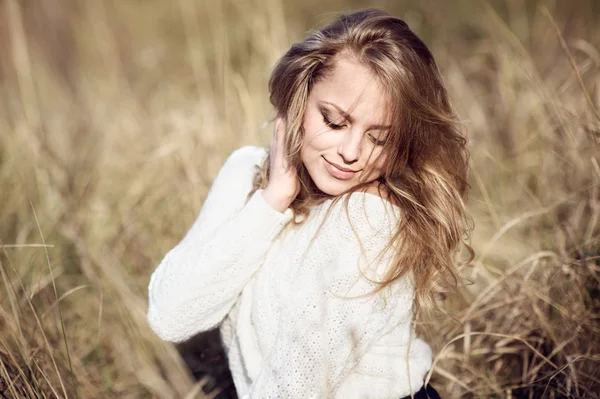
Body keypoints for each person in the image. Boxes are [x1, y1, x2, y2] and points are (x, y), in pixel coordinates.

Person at [147, 8, 472, 399]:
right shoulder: (245, 170)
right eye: (334, 122)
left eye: (379, 139)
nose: (351, 153)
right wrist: (272, 202)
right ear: (299, 95)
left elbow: (293, 387)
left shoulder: (371, 218)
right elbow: (170, 315)